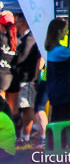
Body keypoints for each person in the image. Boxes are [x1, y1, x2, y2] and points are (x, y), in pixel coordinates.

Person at [43, 18, 70, 124]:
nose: (67, 33)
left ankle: (56, 139)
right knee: (65, 120)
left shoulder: (52, 49)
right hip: (63, 91)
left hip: (54, 90)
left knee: (56, 118)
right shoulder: (60, 50)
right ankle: (63, 140)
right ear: (59, 31)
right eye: (65, 30)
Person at [11, 12, 40, 145]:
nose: (14, 25)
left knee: (26, 107)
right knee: (20, 107)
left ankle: (26, 135)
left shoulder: (30, 38)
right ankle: (23, 134)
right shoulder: (23, 38)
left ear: (21, 22)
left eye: (16, 22)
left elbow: (22, 58)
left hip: (26, 79)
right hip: (20, 79)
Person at [0, 11, 17, 113]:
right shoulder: (16, 41)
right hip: (13, 77)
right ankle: (14, 128)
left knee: (1, 110)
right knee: (12, 111)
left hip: (1, 76)